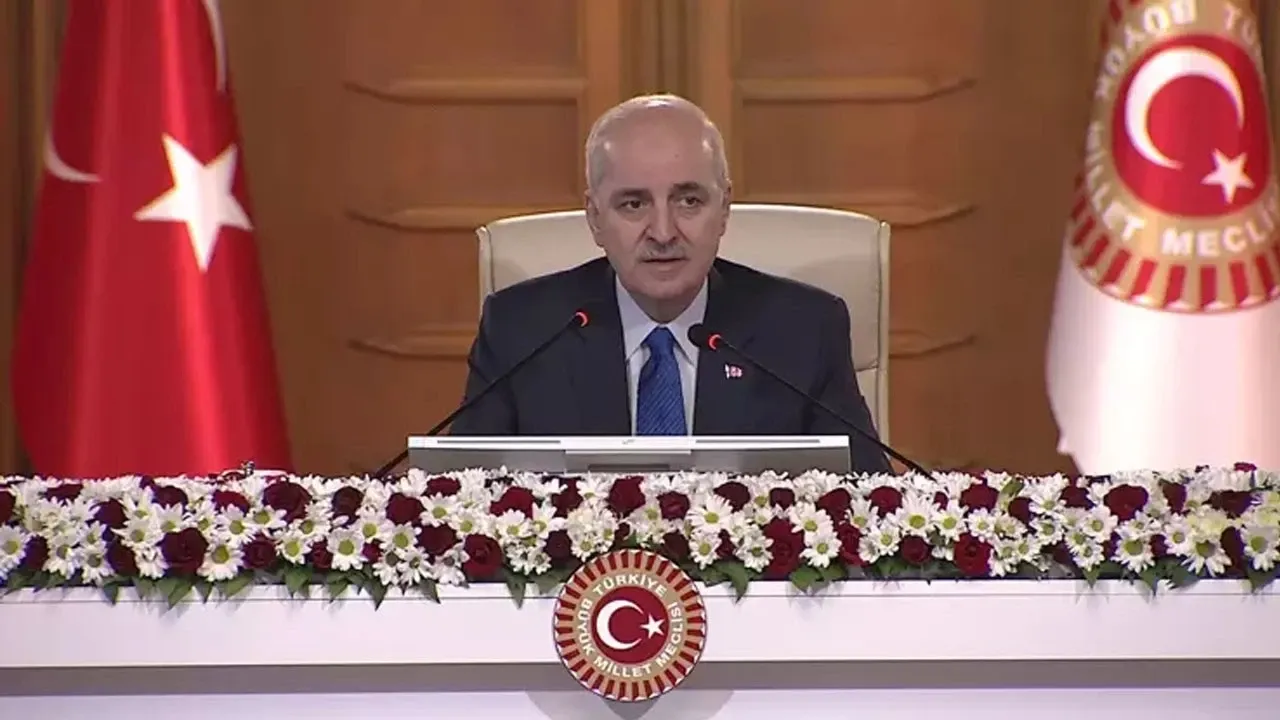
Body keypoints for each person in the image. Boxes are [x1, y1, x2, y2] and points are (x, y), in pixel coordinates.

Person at [450, 94, 891, 473]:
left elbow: (868, 503)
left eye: (689, 201)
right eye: (633, 204)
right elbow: (459, 502)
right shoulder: (521, 332)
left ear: (724, 209)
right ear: (595, 217)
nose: (663, 232)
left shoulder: (804, 331)